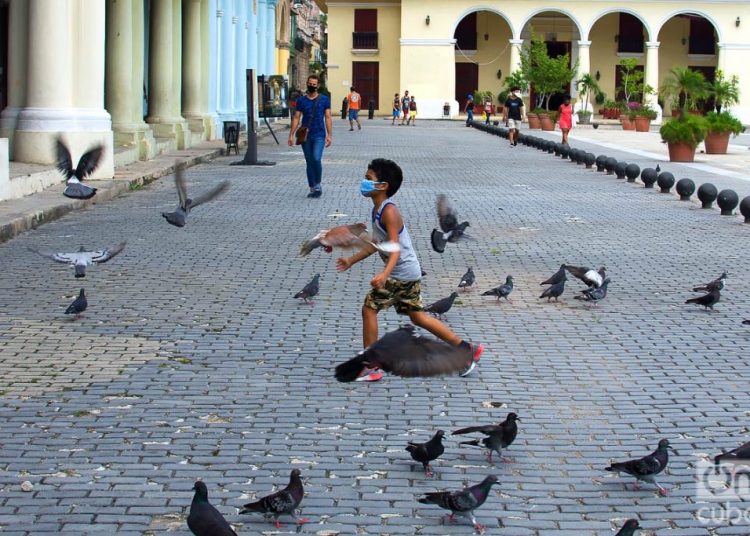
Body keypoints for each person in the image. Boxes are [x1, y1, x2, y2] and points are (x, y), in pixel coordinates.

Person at [336, 158, 485, 382]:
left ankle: (370, 365)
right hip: (408, 272)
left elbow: (394, 249)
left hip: (400, 273)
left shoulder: (389, 212)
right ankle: (467, 348)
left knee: (369, 310)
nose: (363, 182)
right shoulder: (378, 209)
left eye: (368, 179)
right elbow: (376, 244)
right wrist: (351, 260)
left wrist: (385, 275)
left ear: (383, 186)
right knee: (418, 317)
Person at [288, 74, 332, 198]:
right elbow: (296, 117)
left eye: (314, 84)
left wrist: (330, 135)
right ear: (307, 84)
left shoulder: (324, 100)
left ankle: (317, 184)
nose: (311, 86)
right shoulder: (301, 100)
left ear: (318, 86)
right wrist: (291, 135)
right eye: (310, 84)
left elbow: (328, 117)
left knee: (316, 158)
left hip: (319, 134)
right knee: (309, 161)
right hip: (305, 135)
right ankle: (312, 187)